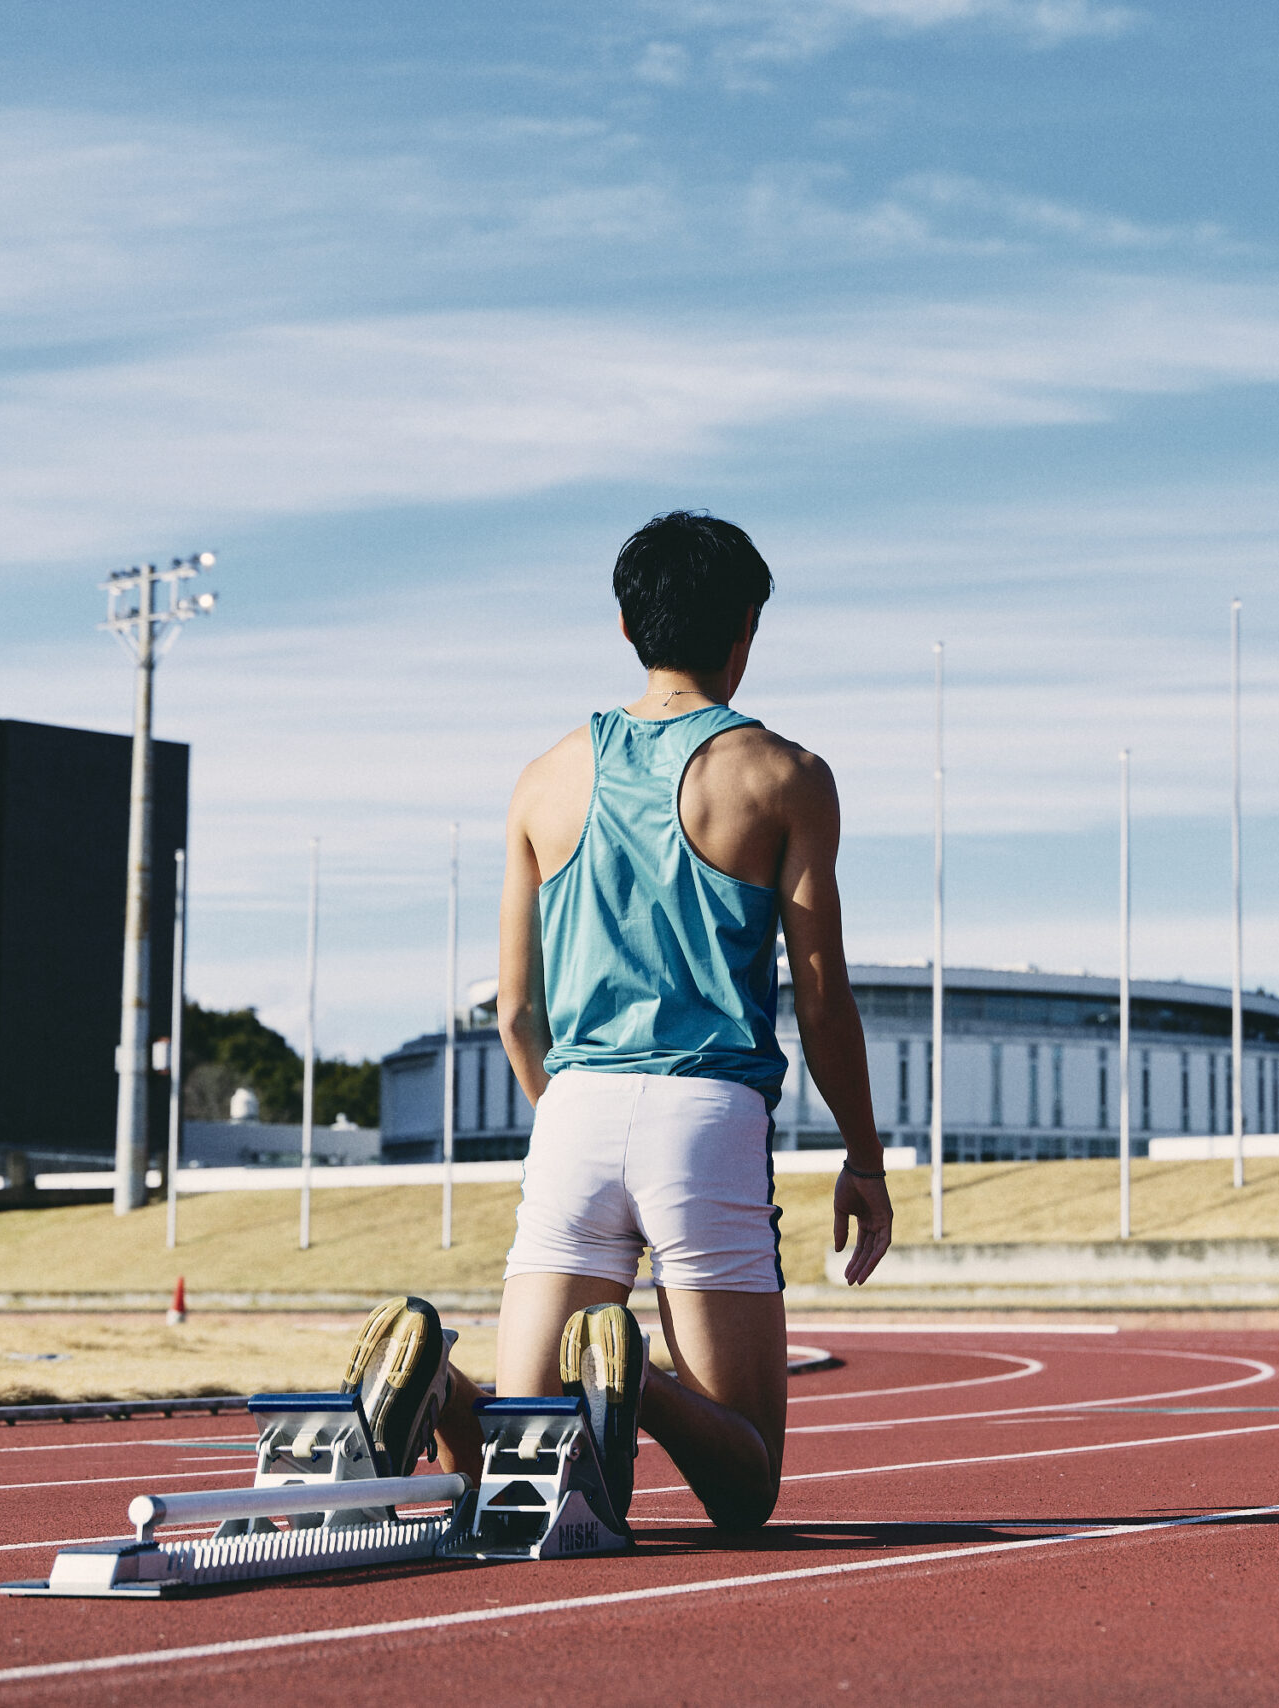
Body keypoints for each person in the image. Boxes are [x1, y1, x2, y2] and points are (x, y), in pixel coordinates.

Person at [347, 511, 895, 1536]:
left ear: (624, 623)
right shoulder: (783, 777)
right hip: (709, 1117)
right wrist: (862, 1157)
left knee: (523, 1468)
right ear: (745, 627)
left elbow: (517, 1009)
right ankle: (633, 1378)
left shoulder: (544, 778)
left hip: (575, 1108)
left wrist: (573, 1117)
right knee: (746, 1485)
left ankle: (443, 1389)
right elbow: (822, 1001)